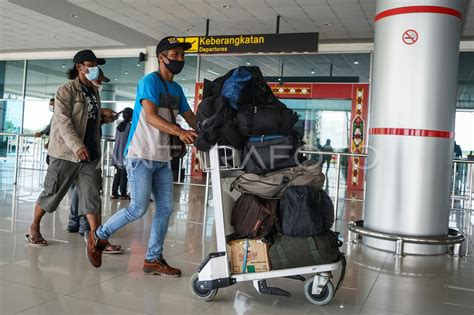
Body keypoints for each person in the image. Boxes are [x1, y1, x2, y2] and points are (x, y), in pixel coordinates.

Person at [89, 36, 197, 273]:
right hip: (140, 155)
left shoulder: (177, 89)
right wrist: (180, 132)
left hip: (163, 157)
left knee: (166, 208)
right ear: (161, 58)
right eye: (176, 55)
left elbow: (191, 117)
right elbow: (151, 117)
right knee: (138, 208)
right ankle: (99, 235)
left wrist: (208, 131)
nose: (180, 59)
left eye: (182, 55)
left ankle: (153, 258)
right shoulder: (149, 82)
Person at [26, 50, 118, 261]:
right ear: (79, 67)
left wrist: (104, 120)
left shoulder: (94, 91)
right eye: (90, 63)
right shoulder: (66, 91)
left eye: (96, 63)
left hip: (90, 154)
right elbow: (64, 122)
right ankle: (34, 227)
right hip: (66, 153)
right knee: (52, 195)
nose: (94, 66)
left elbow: (88, 120)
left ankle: (96, 240)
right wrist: (77, 146)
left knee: (92, 197)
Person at [111, 107, 133, 200]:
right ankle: (123, 194)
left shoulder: (119, 126)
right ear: (131, 117)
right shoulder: (130, 127)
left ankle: (114, 193)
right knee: (124, 174)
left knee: (118, 174)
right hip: (124, 154)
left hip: (116, 153)